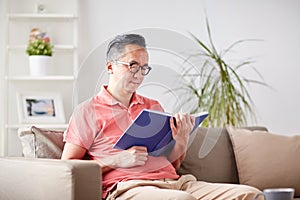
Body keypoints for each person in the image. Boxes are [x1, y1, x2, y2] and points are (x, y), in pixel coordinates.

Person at [61, 33, 261, 200]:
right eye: (132, 65)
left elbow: (169, 162)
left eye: (144, 67)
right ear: (110, 67)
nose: (139, 74)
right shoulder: (87, 111)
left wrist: (181, 142)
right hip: (129, 187)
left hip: (177, 184)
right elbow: (67, 167)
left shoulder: (153, 107)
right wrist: (116, 160)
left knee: (250, 195)